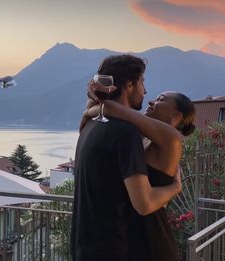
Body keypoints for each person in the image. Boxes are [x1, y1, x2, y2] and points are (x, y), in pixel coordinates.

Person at [71, 54, 182, 261]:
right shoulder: (125, 133)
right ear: (129, 85)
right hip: (111, 251)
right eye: (142, 82)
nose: (145, 91)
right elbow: (144, 203)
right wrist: (176, 187)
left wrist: (96, 105)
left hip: (84, 248)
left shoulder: (90, 125)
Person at [84, 88, 196, 261]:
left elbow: (110, 109)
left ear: (176, 116)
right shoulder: (144, 139)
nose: (152, 101)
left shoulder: (170, 138)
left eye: (161, 99)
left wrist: (88, 113)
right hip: (134, 235)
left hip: (152, 239)